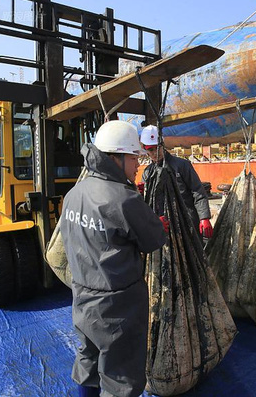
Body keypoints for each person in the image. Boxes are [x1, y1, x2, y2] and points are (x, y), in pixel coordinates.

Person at [60, 120, 168, 397]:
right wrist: (155, 222)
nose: (137, 165)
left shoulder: (75, 193)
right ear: (116, 158)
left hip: (82, 297)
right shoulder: (124, 199)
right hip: (118, 307)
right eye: (133, 158)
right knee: (121, 379)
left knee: (88, 363)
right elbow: (154, 240)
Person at [140, 125, 213, 240]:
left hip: (187, 222)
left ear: (163, 146)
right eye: (151, 149)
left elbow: (197, 190)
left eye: (157, 148)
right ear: (145, 149)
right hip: (163, 226)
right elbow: (146, 202)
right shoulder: (148, 173)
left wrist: (204, 217)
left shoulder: (182, 165)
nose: (155, 152)